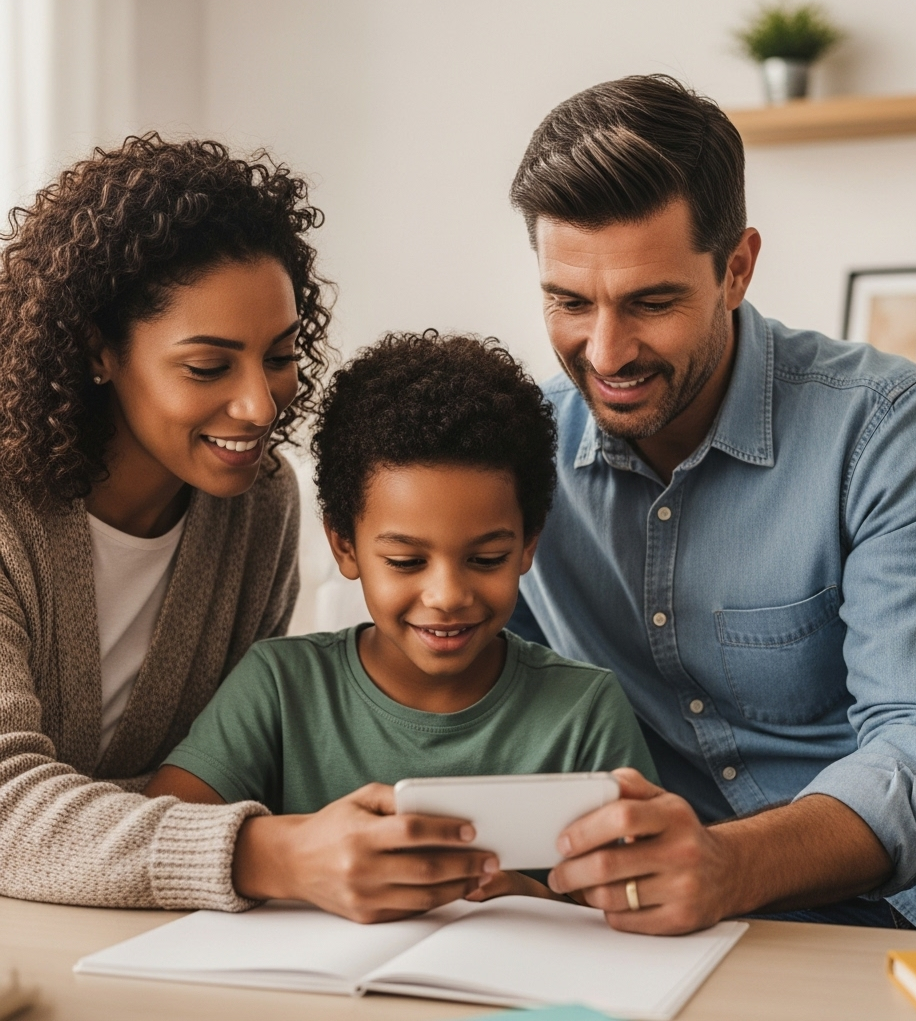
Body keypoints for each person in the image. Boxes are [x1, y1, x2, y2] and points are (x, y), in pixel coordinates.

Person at [506, 74, 916, 936]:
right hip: (682, 909)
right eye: (569, 302)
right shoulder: (519, 452)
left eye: (651, 302)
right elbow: (479, 701)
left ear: (737, 269)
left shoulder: (887, 427)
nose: (605, 352)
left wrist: (727, 865)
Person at [145, 331, 658, 923]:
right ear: (345, 545)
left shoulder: (585, 712)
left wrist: (535, 900)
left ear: (527, 545)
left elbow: (641, 895)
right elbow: (160, 835)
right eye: (407, 561)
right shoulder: (279, 688)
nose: (448, 596)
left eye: (486, 558)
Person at [0, 135, 332, 911]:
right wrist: (264, 853)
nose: (260, 406)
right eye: (208, 367)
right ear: (98, 350)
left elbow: (228, 766)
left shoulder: (260, 507)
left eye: (280, 355)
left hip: (134, 927)